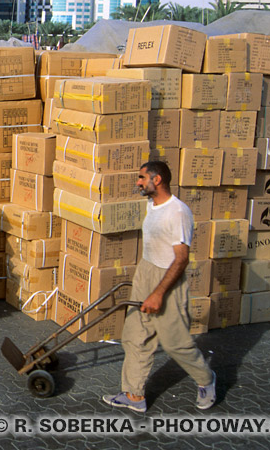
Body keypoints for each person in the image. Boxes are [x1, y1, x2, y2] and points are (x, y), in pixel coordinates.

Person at [103, 161, 216, 413]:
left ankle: (206, 380)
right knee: (135, 337)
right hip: (147, 270)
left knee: (175, 343)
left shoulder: (178, 212)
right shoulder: (152, 205)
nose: (138, 182)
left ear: (158, 180)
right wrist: (145, 279)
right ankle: (134, 396)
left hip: (168, 280)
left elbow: (182, 258)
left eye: (142, 178)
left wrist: (158, 292)